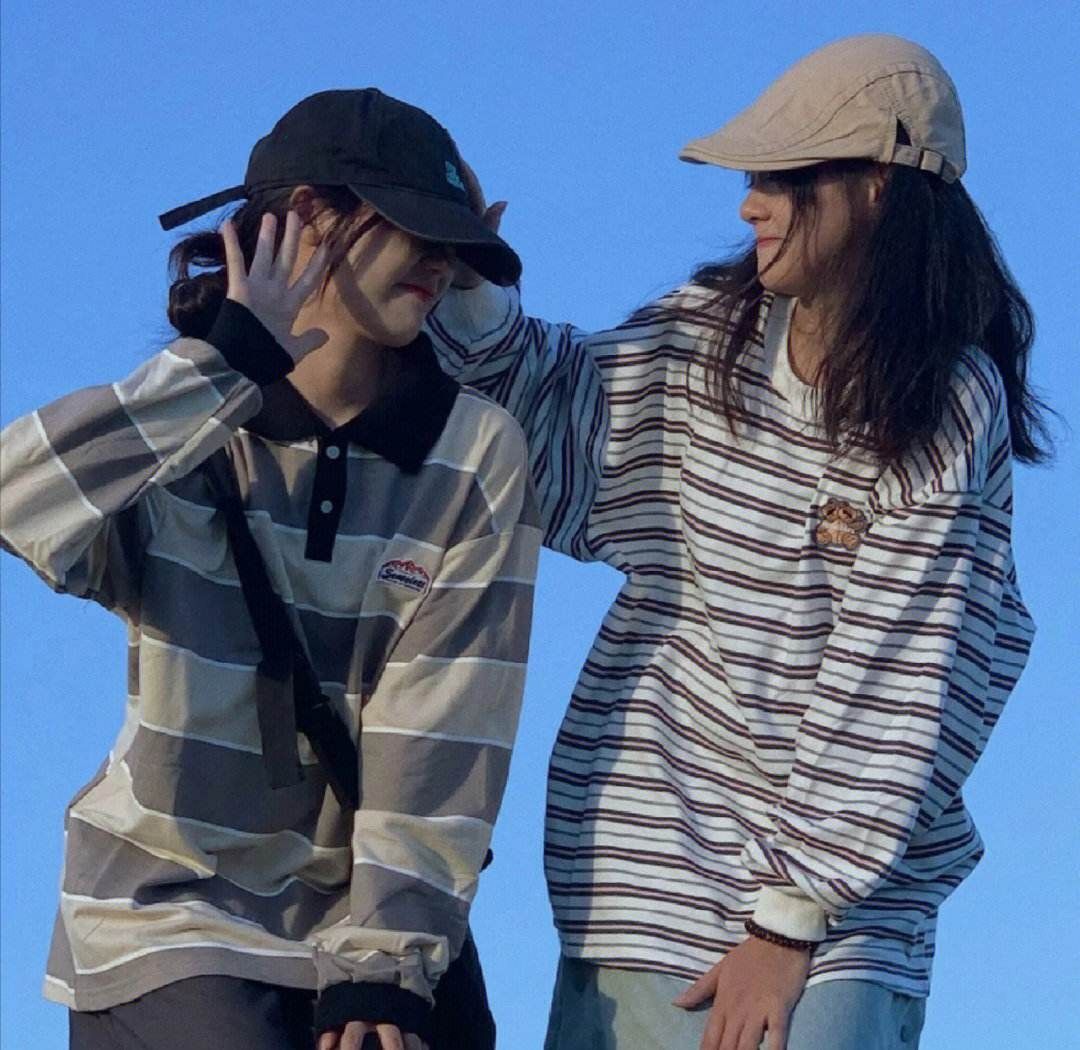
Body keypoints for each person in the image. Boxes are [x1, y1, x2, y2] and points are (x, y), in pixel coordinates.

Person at [428, 35, 1046, 1050]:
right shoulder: (708, 335)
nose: (750, 205)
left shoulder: (942, 403)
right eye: (751, 178)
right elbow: (546, 421)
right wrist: (468, 287)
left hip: (832, 926)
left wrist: (787, 921)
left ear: (879, 187)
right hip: (639, 879)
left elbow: (901, 677)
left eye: (783, 177)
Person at [0, 88, 541, 1050]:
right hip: (165, 917)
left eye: (451, 241)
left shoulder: (472, 453)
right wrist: (225, 365)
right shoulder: (187, 430)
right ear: (304, 219)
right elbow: (16, 501)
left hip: (362, 937)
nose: (439, 261)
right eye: (411, 228)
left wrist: (385, 966)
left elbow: (445, 733)